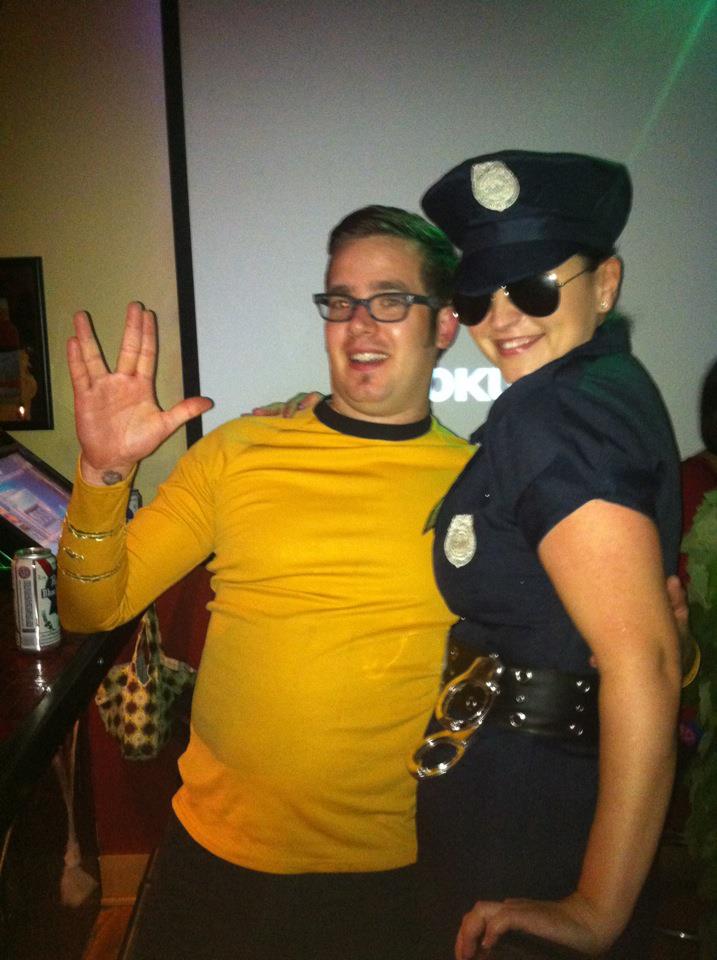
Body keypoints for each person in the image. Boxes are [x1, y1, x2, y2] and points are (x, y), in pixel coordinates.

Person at [57, 206, 472, 960]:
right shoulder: (239, 450)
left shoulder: (482, 485)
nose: (359, 324)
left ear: (443, 324)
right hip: (214, 856)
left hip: (393, 873)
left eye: (390, 300)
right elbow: (92, 607)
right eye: (341, 301)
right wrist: (102, 473)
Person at [408, 150, 683, 960]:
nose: (502, 319)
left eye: (532, 286)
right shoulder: (598, 389)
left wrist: (594, 908)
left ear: (605, 284)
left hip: (531, 808)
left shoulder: (550, 414)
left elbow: (642, 662)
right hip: (545, 787)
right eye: (478, 296)